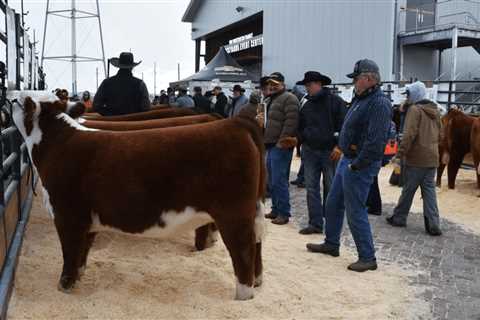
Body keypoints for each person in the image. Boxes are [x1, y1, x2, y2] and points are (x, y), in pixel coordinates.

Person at [306, 59, 392, 272]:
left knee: (355, 210)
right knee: (334, 203)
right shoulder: (361, 98)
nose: (354, 82)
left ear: (369, 78)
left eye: (356, 78)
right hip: (348, 159)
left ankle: (367, 256)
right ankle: (332, 243)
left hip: (359, 163)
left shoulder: (379, 103)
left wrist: (357, 165)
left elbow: (375, 142)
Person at [386, 81, 443, 236]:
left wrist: (400, 154)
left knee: (408, 189)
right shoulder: (435, 110)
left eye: (409, 94)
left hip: (417, 158)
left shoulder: (415, 110)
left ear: (415, 94)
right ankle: (433, 223)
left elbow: (409, 134)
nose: (407, 98)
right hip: (432, 158)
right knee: (429, 191)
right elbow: (441, 135)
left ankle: (399, 217)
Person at [296, 71, 347, 235]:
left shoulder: (336, 102)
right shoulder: (307, 105)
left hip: (330, 152)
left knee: (330, 189)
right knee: (311, 188)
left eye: (309, 85)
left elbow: (345, 126)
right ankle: (315, 223)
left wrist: (339, 146)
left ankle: (331, 223)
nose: (307, 88)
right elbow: (301, 126)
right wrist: (300, 142)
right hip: (310, 151)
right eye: (306, 86)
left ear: (318, 84)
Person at [262, 72, 300, 225]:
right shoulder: (270, 99)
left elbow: (291, 121)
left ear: (283, 84)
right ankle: (276, 209)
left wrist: (282, 141)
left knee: (279, 180)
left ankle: (284, 212)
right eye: (270, 84)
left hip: (280, 145)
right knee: (272, 179)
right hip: (270, 144)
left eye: (275, 84)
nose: (271, 86)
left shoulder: (289, 98)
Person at [366, 120, 397, 215]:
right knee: (372, 179)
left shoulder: (379, 120)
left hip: (378, 153)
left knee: (372, 180)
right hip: (386, 153)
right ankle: (371, 204)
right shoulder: (391, 122)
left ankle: (375, 206)